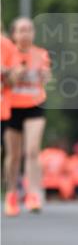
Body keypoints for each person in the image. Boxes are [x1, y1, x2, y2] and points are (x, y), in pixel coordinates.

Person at [4, 17, 52, 215]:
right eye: (21, 30)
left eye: (29, 30)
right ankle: (11, 194)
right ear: (14, 34)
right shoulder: (7, 53)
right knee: (14, 155)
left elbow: (47, 76)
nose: (26, 34)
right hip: (12, 106)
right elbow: (7, 80)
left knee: (32, 150)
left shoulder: (40, 54)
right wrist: (16, 73)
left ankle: (33, 193)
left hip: (35, 104)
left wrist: (44, 75)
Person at [1, 30, 21, 216]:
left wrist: (5, 72)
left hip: (4, 109)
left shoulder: (6, 45)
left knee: (10, 153)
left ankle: (10, 194)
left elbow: (15, 80)